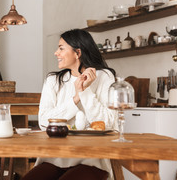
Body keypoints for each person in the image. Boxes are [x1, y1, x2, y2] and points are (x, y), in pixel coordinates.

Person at [21, 29, 117, 180]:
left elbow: (108, 123)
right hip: (54, 158)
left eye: (61, 48)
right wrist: (75, 99)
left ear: (77, 53)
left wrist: (85, 92)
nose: (55, 53)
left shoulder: (104, 77)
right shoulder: (53, 80)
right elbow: (44, 122)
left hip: (92, 159)